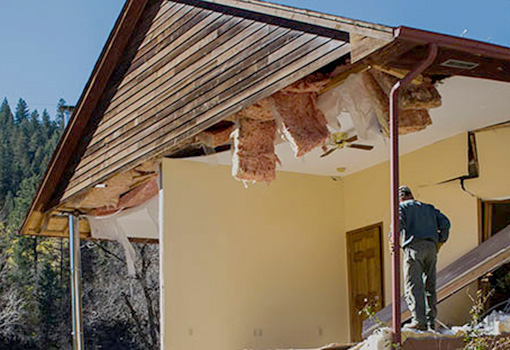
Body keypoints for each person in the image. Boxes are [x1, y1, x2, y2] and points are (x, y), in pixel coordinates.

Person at [398, 185, 450, 331]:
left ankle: (419, 322)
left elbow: (397, 225)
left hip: (413, 247)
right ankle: (431, 322)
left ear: (400, 198)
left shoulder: (401, 207)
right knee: (430, 285)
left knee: (413, 285)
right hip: (431, 248)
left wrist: (393, 241)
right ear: (411, 195)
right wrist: (440, 241)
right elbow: (446, 223)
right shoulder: (429, 208)